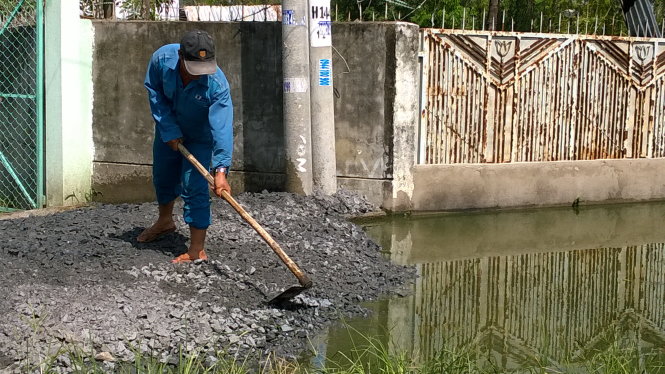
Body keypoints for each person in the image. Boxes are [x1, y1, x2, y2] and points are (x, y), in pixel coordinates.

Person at [138, 29, 233, 263]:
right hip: (168, 128)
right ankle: (165, 221)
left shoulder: (217, 85)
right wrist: (168, 129)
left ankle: (196, 249)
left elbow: (222, 127)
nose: (198, 75)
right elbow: (155, 91)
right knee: (163, 176)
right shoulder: (161, 59)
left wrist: (221, 171)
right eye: (193, 69)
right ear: (180, 56)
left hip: (199, 136)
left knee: (195, 186)